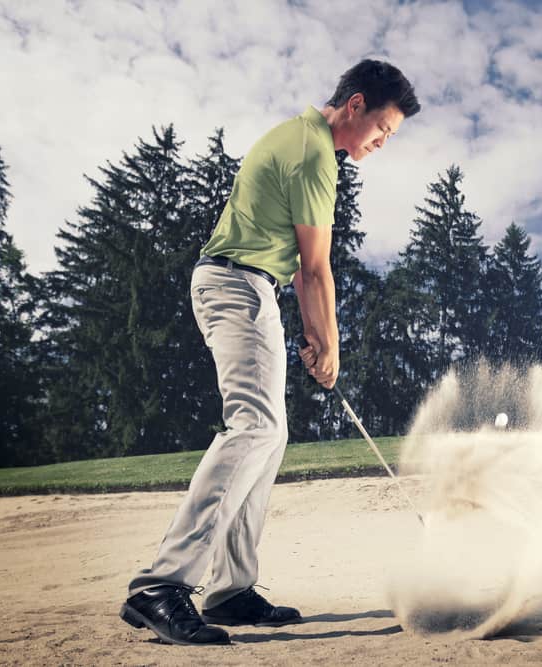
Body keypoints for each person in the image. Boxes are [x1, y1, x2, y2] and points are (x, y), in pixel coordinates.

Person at [119, 59, 420, 646]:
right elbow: (314, 270)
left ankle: (231, 590)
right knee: (254, 426)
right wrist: (328, 347)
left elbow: (302, 270)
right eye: (384, 128)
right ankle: (162, 584)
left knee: (268, 432)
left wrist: (315, 336)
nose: (384, 142)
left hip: (245, 285)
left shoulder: (301, 139)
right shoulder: (313, 153)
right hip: (239, 284)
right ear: (355, 106)